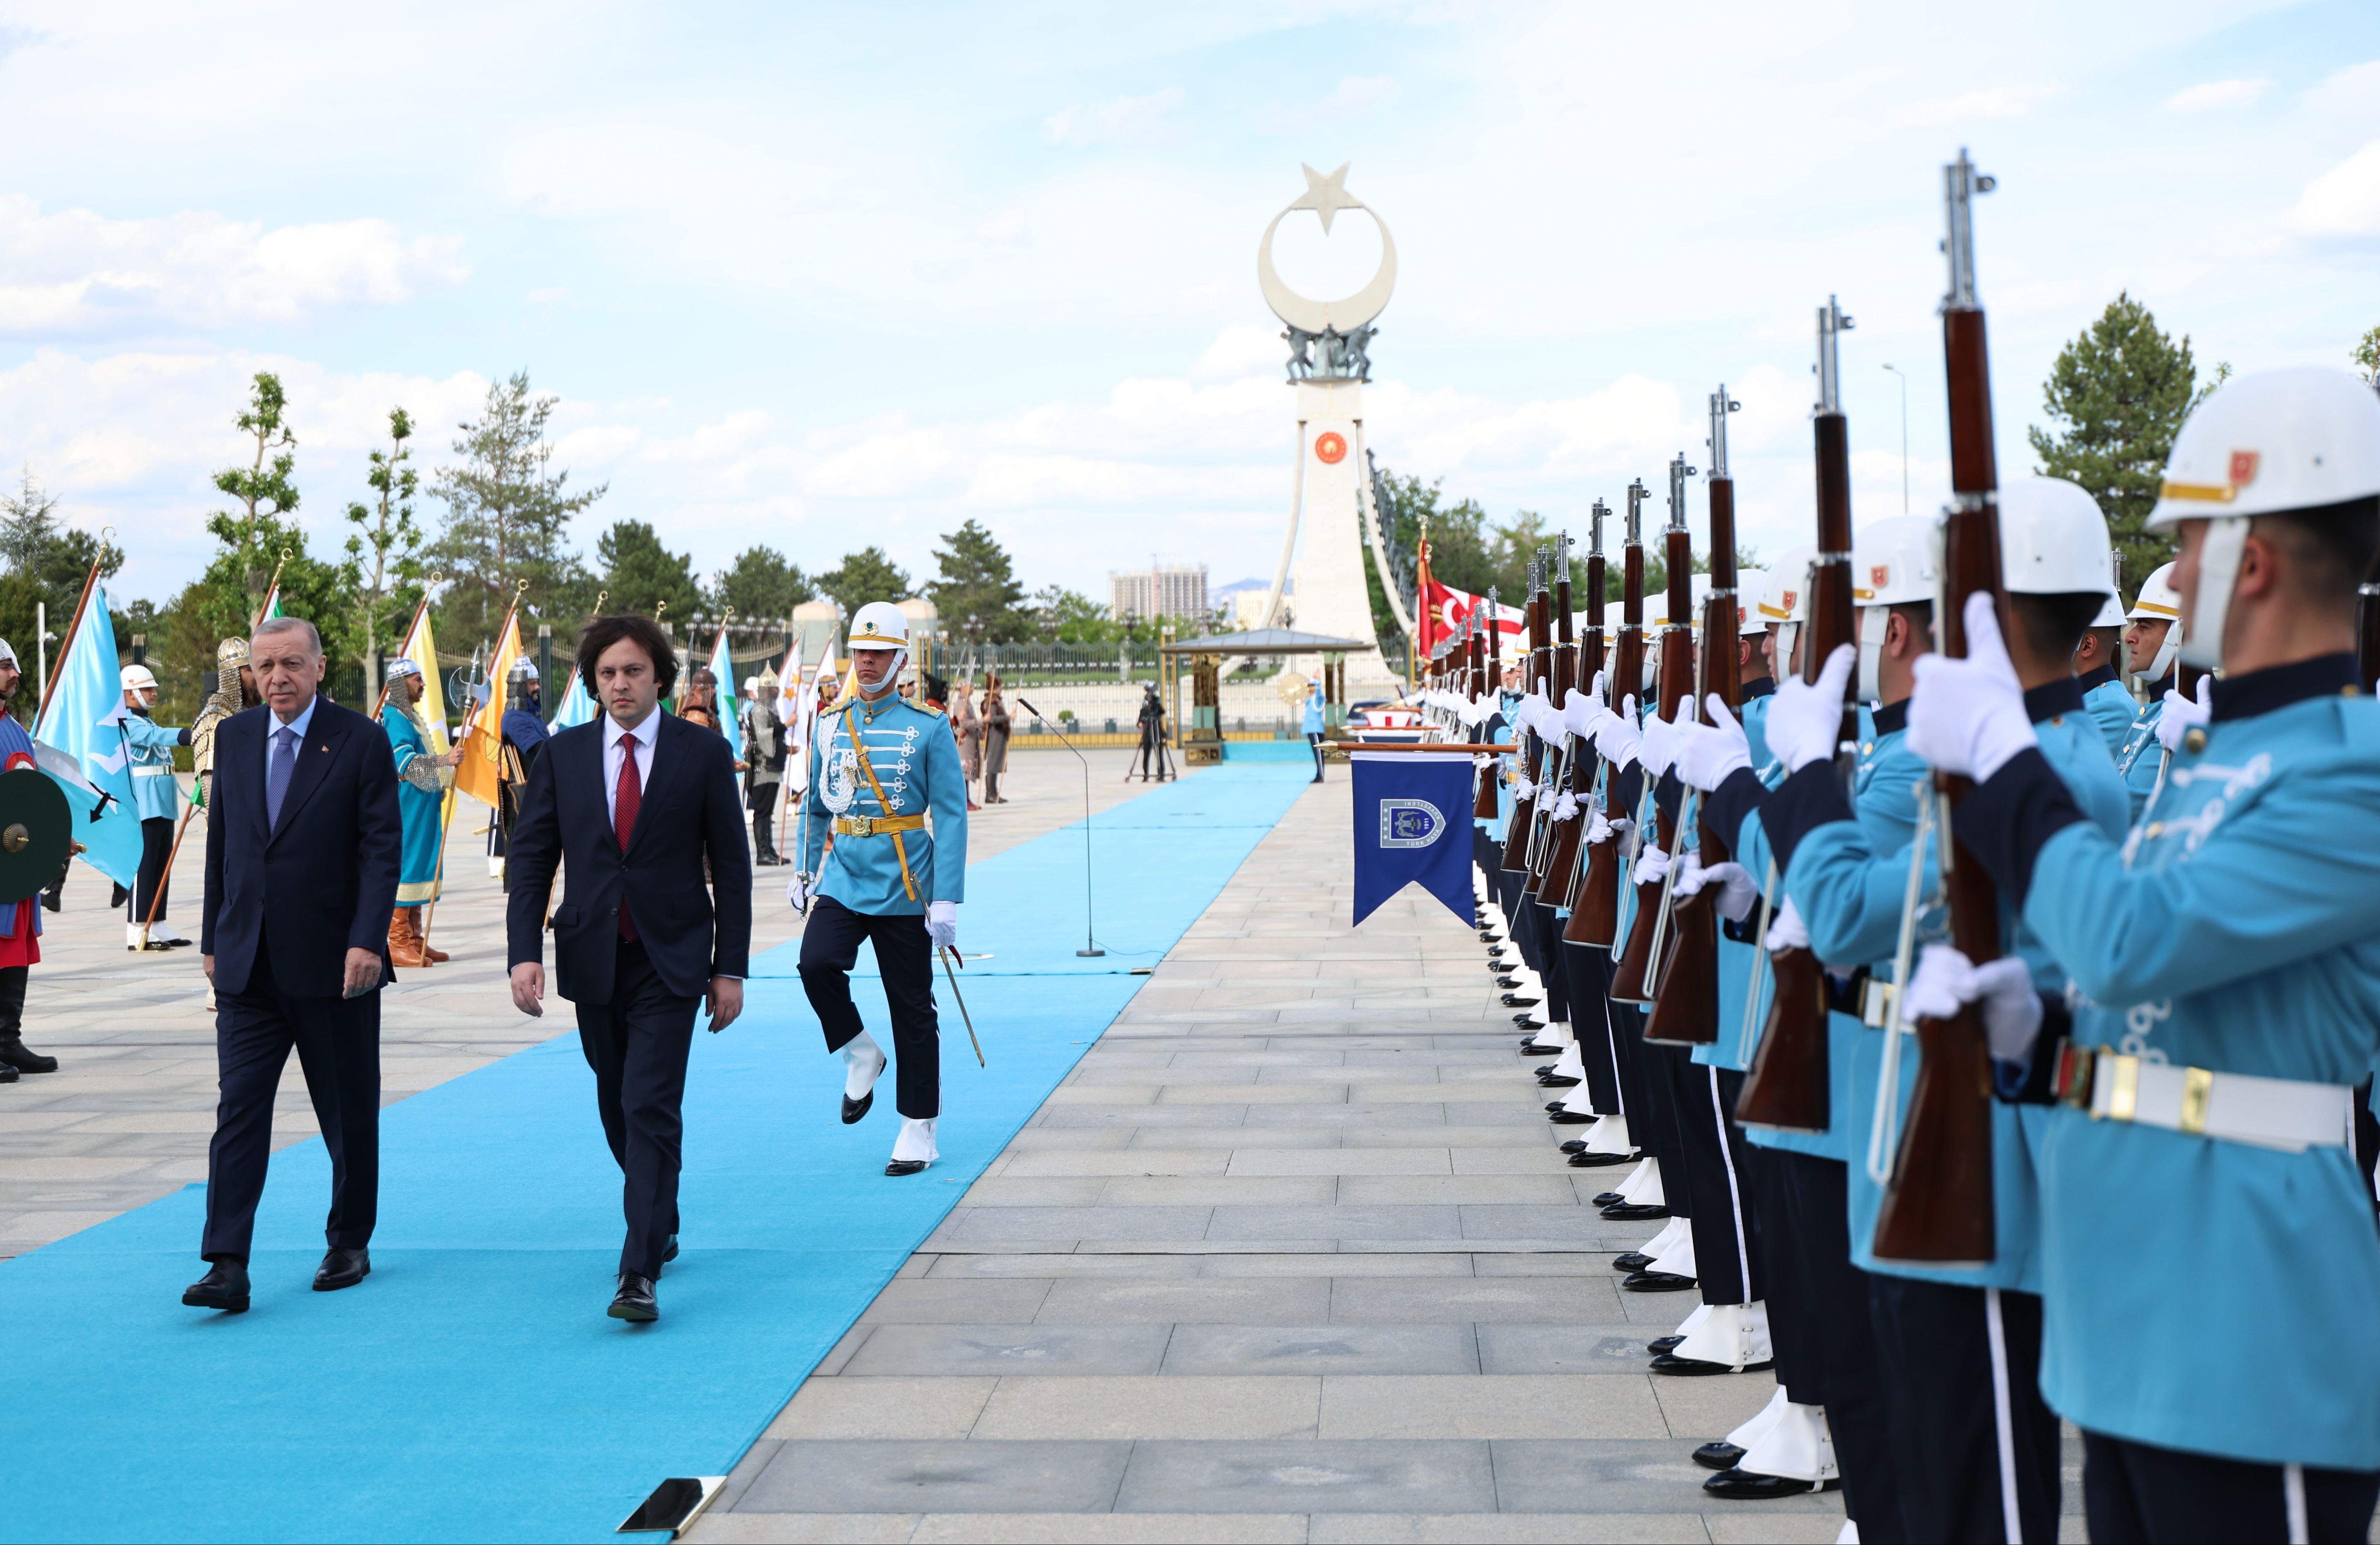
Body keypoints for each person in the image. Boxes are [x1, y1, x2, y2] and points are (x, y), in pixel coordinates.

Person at [1909, 368, 2380, 1543]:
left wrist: (2002, 766)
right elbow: (2158, 991)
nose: (2170, 574)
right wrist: (2044, 1021)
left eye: (2186, 544)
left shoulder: (2352, 768)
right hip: (2127, 1307)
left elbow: (2134, 937)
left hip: (2247, 1311)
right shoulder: (2216, 757)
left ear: (2254, 558)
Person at [505, 614, 749, 1322]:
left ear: (660, 679)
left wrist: (728, 967)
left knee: (649, 1104)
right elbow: (530, 861)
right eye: (607, 673)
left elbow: (731, 869)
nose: (620, 684)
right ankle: (659, 1209)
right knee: (615, 1101)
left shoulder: (702, 754)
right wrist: (524, 952)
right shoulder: (563, 756)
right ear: (592, 683)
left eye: (633, 671)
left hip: (671, 960)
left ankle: (637, 1270)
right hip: (592, 956)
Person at [184, 616, 403, 1314]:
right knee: (239, 1110)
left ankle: (349, 1240)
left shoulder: (361, 741)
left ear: (319, 667)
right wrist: (213, 937)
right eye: (264, 665)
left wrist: (369, 940)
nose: (276, 678)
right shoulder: (238, 737)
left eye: (290, 664)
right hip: (248, 965)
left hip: (338, 966)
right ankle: (226, 1262)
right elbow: (224, 845)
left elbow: (380, 849)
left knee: (346, 1112)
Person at [790, 601, 968, 1176]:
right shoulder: (830, 723)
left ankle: (919, 1127)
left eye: (879, 654)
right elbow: (815, 806)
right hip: (843, 873)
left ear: (900, 658)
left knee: (911, 1005)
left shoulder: (928, 726)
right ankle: (861, 1051)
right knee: (815, 964)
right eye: (861, 652)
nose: (866, 663)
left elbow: (951, 813)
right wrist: (802, 870)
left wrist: (947, 896)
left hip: (905, 876)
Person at [378, 660, 462, 969]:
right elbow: (405, 764)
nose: (423, 684)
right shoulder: (395, 718)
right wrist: (445, 760)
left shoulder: (410, 715)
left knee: (421, 865)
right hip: (406, 808)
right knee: (408, 866)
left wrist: (436, 784)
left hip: (421, 804)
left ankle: (415, 939)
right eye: (417, 680)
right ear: (401, 683)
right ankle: (397, 943)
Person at [0, 639, 58, 1080]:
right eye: (4, 667)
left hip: (15, 867)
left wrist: (56, 835)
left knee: (15, 949)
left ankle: (7, 1040)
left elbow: (32, 797)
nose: (14, 674)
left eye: (13, 666)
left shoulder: (17, 732)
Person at [117, 663, 195, 950]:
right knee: (144, 867)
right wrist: (191, 733)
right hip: (144, 805)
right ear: (130, 693)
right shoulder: (127, 723)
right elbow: (157, 737)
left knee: (162, 865)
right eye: (147, 689)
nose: (153, 694)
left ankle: (157, 922)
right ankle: (137, 927)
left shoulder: (146, 721)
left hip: (162, 803)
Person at [492, 658, 548, 882]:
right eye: (531, 683)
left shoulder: (533, 716)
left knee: (540, 866)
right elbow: (540, 750)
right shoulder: (514, 719)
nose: (536, 687)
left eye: (536, 682)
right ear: (519, 687)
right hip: (524, 796)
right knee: (526, 868)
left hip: (538, 793)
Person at [742, 668, 788, 866]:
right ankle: (763, 853)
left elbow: (774, 738)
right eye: (775, 687)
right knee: (762, 811)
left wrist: (787, 748)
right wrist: (787, 725)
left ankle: (769, 850)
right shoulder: (759, 710)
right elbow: (763, 736)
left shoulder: (769, 709)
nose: (778, 690)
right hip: (763, 767)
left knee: (768, 811)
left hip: (772, 766)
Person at [951, 678, 983, 811]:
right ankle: (964, 801)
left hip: (971, 742)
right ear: (962, 688)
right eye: (970, 687)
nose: (973, 689)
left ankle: (967, 799)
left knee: (967, 774)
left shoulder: (967, 703)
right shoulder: (961, 704)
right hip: (964, 742)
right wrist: (982, 721)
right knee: (964, 773)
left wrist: (981, 733)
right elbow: (964, 724)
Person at [979, 678, 1010, 805]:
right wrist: (1008, 718)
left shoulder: (996, 700)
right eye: (1000, 686)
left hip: (1000, 735)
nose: (1001, 688)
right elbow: (992, 719)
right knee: (993, 764)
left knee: (998, 763)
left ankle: (995, 793)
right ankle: (990, 794)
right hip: (995, 735)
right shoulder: (992, 701)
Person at [679, 667, 722, 734]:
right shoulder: (697, 714)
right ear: (705, 689)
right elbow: (700, 740)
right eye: (713, 687)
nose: (716, 691)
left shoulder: (708, 711)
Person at [1302, 678, 1326, 783]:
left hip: (1316, 730)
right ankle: (1319, 774)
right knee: (1316, 754)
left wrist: (1318, 683)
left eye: (1312, 686)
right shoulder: (1310, 700)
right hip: (1311, 730)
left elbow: (1320, 696)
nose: (1310, 689)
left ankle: (1320, 776)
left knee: (1319, 754)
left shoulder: (1318, 699)